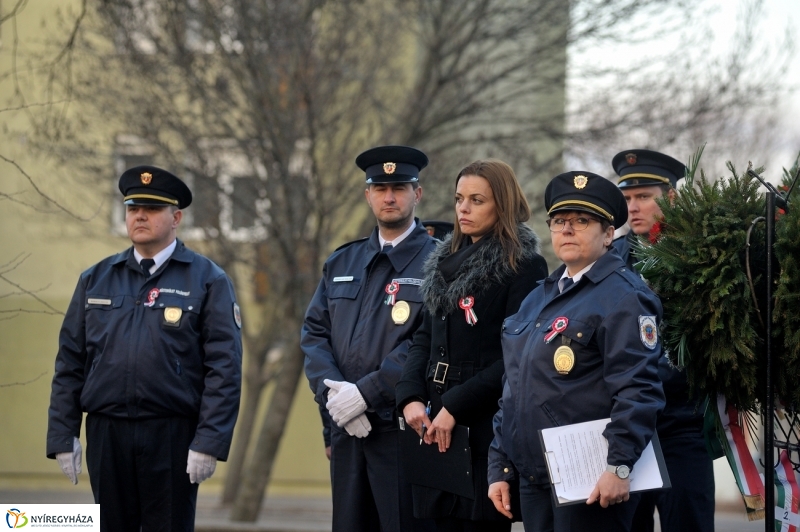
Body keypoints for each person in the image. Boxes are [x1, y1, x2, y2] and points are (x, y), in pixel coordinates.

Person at [46, 165, 243, 531]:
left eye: (152, 209)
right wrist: (62, 433)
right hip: (107, 433)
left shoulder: (207, 279)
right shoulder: (96, 278)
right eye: (133, 208)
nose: (139, 216)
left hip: (171, 434)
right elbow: (70, 362)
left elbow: (224, 369)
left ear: (176, 217)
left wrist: (210, 441)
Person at [487, 171, 666, 532]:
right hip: (537, 477)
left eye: (582, 221)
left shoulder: (624, 296)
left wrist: (619, 466)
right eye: (559, 221)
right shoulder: (539, 297)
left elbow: (638, 389)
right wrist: (500, 466)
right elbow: (514, 388)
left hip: (592, 480)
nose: (566, 230)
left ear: (609, 233)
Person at [397, 159, 549, 531]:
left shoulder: (524, 265)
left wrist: (455, 406)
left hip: (483, 430)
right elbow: (424, 339)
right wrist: (410, 396)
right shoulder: (443, 262)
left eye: (477, 200)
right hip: (433, 423)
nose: (463, 209)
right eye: (459, 198)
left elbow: (515, 358)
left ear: (503, 204)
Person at [302, 145, 438, 532]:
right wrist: (336, 397)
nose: (389, 196)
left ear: (418, 193)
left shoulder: (439, 263)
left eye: (399, 187)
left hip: (401, 431)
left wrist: (367, 393)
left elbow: (426, 341)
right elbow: (314, 334)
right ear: (368, 195)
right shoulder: (341, 261)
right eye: (380, 188)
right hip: (347, 428)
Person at [611, 149, 716, 532]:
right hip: (627, 427)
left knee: (689, 521)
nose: (633, 208)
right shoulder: (612, 259)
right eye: (626, 199)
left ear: (671, 197)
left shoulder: (701, 253)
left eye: (644, 197)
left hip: (681, 421)